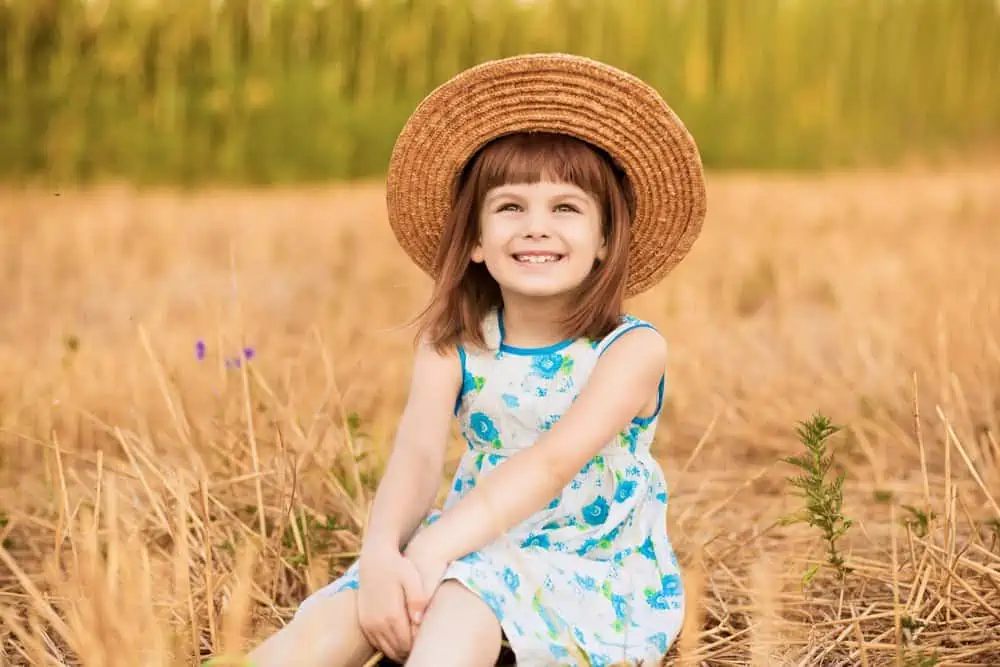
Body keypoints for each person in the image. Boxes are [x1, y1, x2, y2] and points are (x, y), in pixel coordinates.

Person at [246, 52, 707, 667]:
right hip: (470, 540)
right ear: (474, 243)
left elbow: (552, 463)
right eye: (510, 208)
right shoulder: (455, 344)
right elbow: (415, 454)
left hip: (587, 565)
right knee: (353, 607)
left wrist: (434, 549)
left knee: (464, 597)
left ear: (604, 241)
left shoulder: (630, 350)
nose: (536, 228)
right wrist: (384, 554)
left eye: (565, 208)